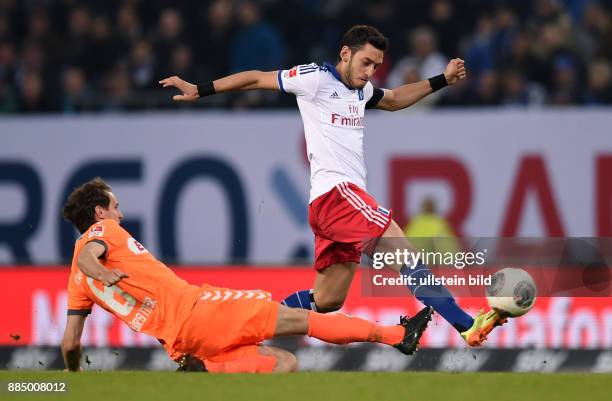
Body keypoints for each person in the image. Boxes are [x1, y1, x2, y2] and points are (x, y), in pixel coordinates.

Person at [160, 25, 505, 346]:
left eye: (377, 65)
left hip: (331, 207)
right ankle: (465, 325)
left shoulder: (362, 90)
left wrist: (442, 80)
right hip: (338, 195)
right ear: (345, 54)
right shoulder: (314, 79)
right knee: (405, 254)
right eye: (366, 62)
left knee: (326, 301)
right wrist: (200, 89)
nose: (370, 71)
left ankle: (236, 338)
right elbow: (255, 78)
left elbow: (395, 99)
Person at [60, 177, 433, 373]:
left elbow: (71, 344)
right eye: (115, 207)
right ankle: (398, 335)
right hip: (198, 311)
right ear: (98, 213)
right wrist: (101, 272)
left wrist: (73, 380)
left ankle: (205, 370)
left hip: (180, 343)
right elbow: (90, 258)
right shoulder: (101, 234)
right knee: (301, 320)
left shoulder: (76, 286)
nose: (120, 214)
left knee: (284, 364)